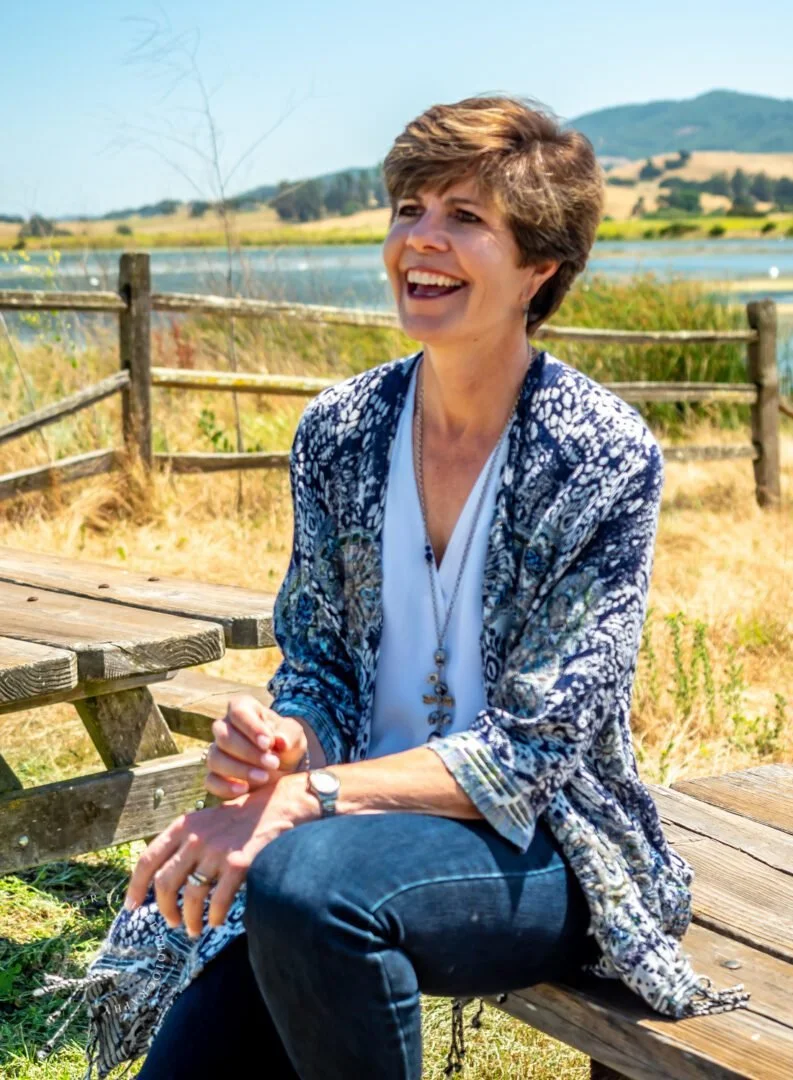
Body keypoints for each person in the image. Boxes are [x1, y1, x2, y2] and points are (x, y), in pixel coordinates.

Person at [39, 95, 748, 1080]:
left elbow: (536, 750)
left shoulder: (600, 455)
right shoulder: (341, 430)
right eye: (407, 207)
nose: (419, 238)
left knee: (301, 878)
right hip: (335, 850)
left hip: (542, 851)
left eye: (464, 217)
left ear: (539, 267)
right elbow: (320, 659)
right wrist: (291, 739)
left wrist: (305, 798)